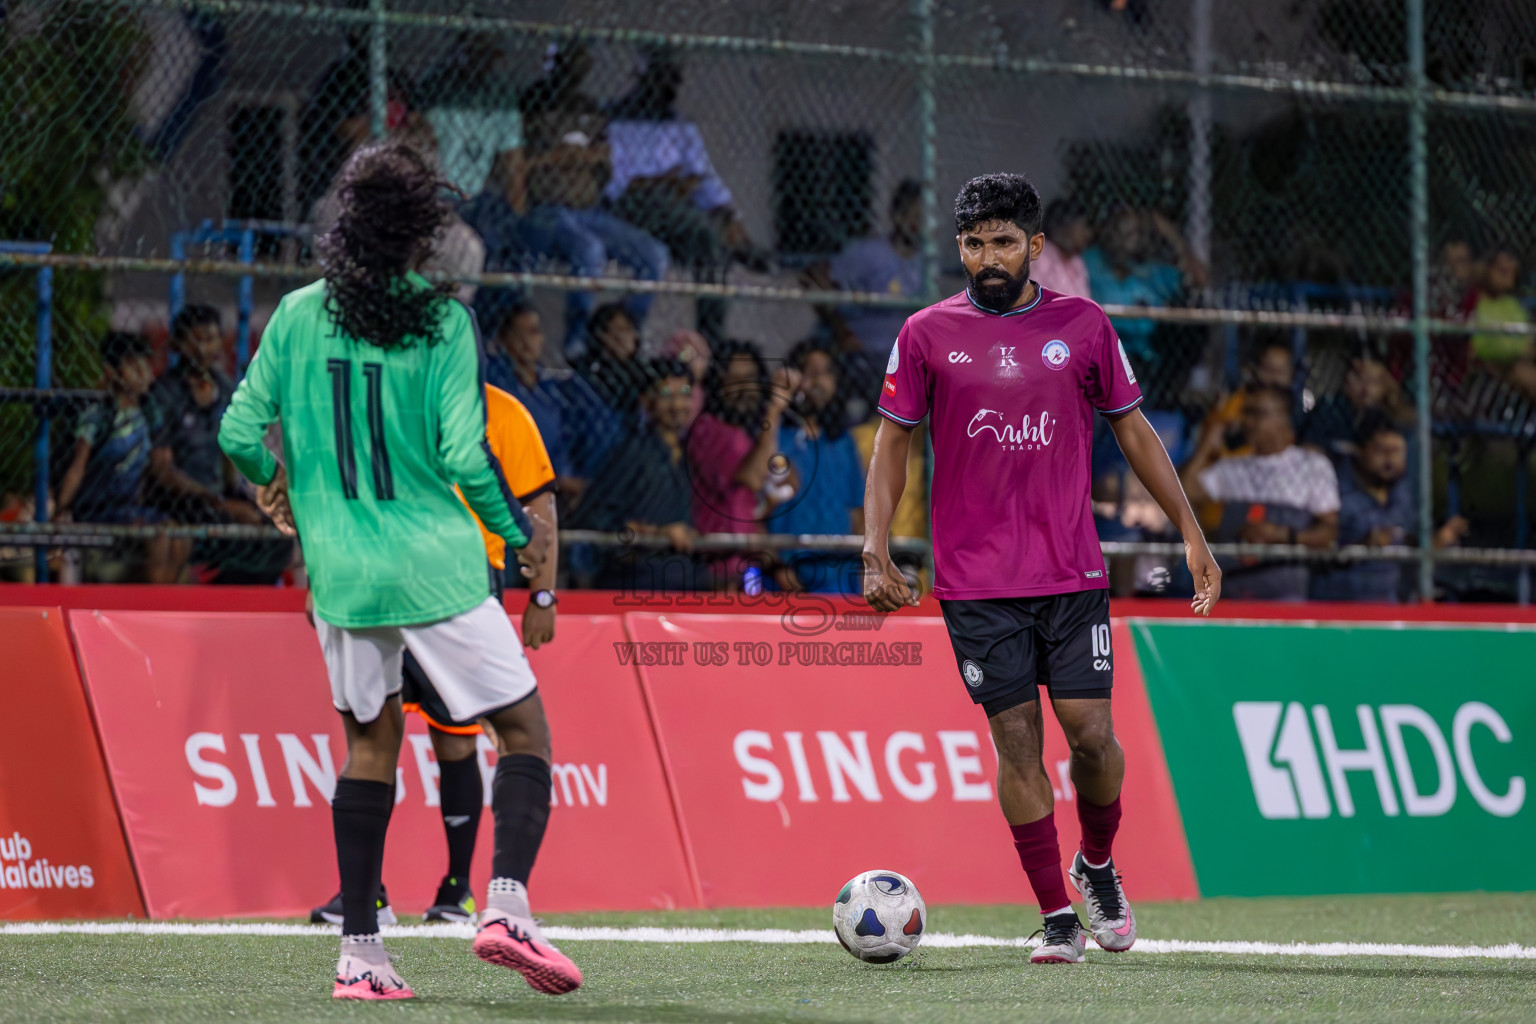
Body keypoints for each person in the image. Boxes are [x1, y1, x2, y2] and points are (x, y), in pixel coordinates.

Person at [217, 141, 576, 1000]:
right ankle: (505, 907)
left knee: (370, 747)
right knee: (523, 731)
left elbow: (236, 434)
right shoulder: (443, 319)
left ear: (342, 225)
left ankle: (362, 959)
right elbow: (463, 448)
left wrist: (276, 492)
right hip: (435, 568)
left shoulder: (298, 313)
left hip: (341, 577)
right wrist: (516, 530)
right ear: (423, 231)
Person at [863, 173, 1221, 965]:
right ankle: (1058, 919)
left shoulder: (1085, 326)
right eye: (973, 243)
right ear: (959, 247)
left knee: (1093, 740)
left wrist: (1189, 533)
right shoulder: (925, 333)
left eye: (1002, 242)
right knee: (1017, 745)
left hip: (1071, 573)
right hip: (977, 584)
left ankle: (1096, 865)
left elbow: (1134, 433)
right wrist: (875, 545)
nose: (987, 257)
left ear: (1035, 247)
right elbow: (894, 443)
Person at [311, 380, 560, 926]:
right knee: (378, 734)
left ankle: (457, 889)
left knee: (455, 740)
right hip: (390, 573)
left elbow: (539, 505)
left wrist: (542, 594)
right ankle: (368, 893)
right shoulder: (401, 400)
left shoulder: (506, 414)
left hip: (468, 582)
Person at [605, 47, 768, 342]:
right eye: (663, 79)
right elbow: (616, 183)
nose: (670, 89)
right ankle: (739, 251)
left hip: (674, 208)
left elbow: (703, 177)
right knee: (704, 233)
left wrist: (731, 216)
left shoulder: (680, 125)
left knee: (713, 242)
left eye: (674, 81)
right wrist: (665, 182)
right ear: (644, 79)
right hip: (630, 206)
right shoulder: (618, 120)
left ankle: (711, 338)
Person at [517, 44, 669, 352]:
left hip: (589, 211)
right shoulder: (532, 102)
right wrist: (556, 158)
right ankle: (577, 340)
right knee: (589, 250)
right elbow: (513, 164)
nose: (575, 72)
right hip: (546, 210)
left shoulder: (589, 107)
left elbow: (606, 162)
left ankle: (623, 337)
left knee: (655, 255)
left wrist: (588, 157)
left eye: (580, 65)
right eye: (568, 63)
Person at [147, 304, 292, 583]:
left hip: (217, 499)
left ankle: (228, 597)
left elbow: (230, 460)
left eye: (211, 339)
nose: (204, 348)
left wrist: (237, 497)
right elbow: (163, 471)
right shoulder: (163, 393)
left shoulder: (225, 388)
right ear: (178, 343)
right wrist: (217, 502)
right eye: (196, 339)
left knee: (277, 536)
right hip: (179, 502)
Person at [1181, 383, 1340, 601]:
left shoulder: (1312, 466)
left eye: (1257, 414)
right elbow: (1184, 491)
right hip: (1232, 591)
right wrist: (1210, 438)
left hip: (1287, 595)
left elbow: (1329, 533)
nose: (1247, 422)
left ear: (1283, 419)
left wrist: (1279, 536)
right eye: (1245, 413)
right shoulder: (1233, 467)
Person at [56, 332, 189, 584]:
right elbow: (77, 467)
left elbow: (161, 464)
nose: (143, 372)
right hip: (98, 508)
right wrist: (62, 508)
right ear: (112, 372)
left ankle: (163, 601)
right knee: (159, 537)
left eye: (145, 365)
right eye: (133, 365)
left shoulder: (149, 414)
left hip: (128, 506)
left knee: (181, 536)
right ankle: (156, 605)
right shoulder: (98, 415)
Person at [569, 359, 702, 589]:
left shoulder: (687, 455)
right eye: (666, 395)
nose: (677, 404)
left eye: (684, 393)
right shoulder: (633, 452)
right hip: (634, 583)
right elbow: (592, 516)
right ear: (647, 401)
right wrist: (655, 533)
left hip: (680, 582)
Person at [482, 298, 621, 512]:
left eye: (533, 332)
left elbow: (562, 442)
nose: (527, 341)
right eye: (518, 334)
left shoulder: (552, 389)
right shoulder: (497, 382)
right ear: (504, 339)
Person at [1311, 415, 1467, 602]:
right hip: (1340, 605)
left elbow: (1408, 542)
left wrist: (1438, 540)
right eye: (1380, 451)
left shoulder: (1403, 492)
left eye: (1396, 452)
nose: (1389, 460)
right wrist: (1363, 546)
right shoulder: (1333, 488)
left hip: (1389, 607)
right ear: (1360, 451)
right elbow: (1317, 554)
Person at [687, 340, 795, 589]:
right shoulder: (707, 429)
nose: (744, 388)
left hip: (744, 569)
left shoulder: (746, 434)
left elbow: (783, 484)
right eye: (733, 379)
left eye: (750, 379)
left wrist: (779, 568)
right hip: (713, 571)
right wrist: (775, 409)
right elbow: (753, 477)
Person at [766, 339, 864, 594]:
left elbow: (857, 513)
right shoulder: (775, 437)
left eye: (826, 373)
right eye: (809, 372)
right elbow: (751, 510)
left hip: (838, 576)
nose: (818, 382)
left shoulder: (844, 442)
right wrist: (776, 565)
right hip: (782, 575)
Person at [1029, 198, 1093, 300]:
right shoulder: (1040, 256)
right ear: (1064, 225)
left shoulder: (1076, 261)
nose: (1087, 233)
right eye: (1082, 226)